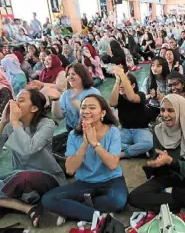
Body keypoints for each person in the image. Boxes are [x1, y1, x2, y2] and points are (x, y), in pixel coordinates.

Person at [0, 89, 66, 227]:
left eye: (21, 100)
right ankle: (26, 208)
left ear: (34, 108)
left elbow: (28, 149)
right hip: (18, 179)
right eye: (15, 99)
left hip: (46, 178)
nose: (14, 102)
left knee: (22, 177)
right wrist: (3, 122)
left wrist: (14, 122)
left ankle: (3, 200)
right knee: (17, 177)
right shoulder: (11, 125)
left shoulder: (46, 124)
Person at [42, 94, 128, 222]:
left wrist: (94, 143)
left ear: (102, 113)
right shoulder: (73, 135)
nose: (86, 111)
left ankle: (75, 210)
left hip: (111, 180)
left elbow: (112, 165)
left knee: (118, 201)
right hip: (84, 182)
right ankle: (96, 215)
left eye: (92, 108)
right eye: (83, 108)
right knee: (49, 199)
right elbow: (70, 170)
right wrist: (84, 143)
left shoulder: (113, 131)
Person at [109, 66, 153, 158]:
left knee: (149, 143)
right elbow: (112, 103)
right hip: (125, 130)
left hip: (141, 129)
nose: (121, 85)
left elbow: (132, 98)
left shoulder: (140, 95)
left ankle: (125, 153)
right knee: (109, 142)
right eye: (120, 82)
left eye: (124, 82)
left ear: (133, 85)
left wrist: (122, 73)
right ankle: (137, 151)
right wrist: (117, 80)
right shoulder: (119, 98)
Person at [51, 63, 101, 132]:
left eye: (73, 74)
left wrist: (77, 104)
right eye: (68, 75)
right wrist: (55, 100)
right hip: (72, 130)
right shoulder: (66, 94)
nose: (70, 77)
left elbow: (94, 116)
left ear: (82, 76)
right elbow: (59, 116)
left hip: (91, 129)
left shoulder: (93, 92)